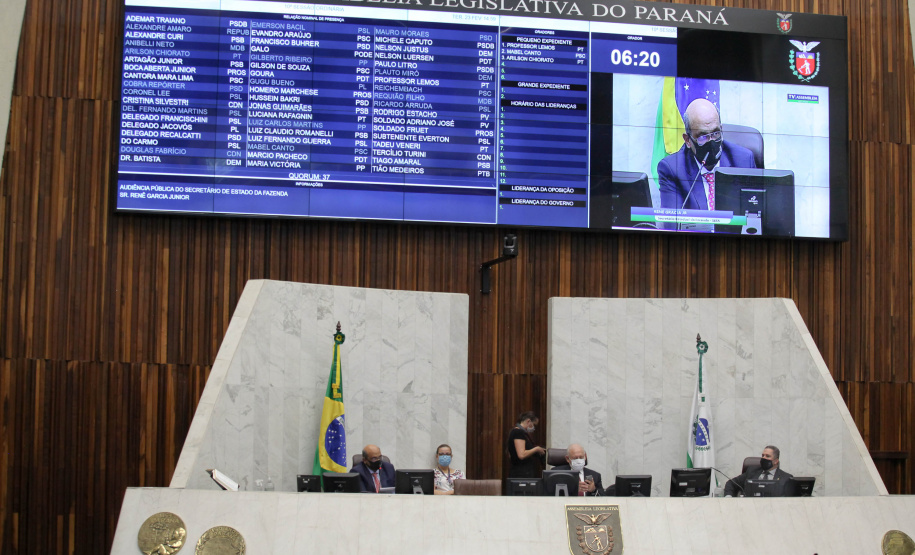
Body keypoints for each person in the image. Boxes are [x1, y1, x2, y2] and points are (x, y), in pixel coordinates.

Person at [657, 98, 757, 217]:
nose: (711, 142)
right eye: (703, 137)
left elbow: (754, 216)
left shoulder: (743, 161)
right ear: (687, 140)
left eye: (715, 133)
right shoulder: (672, 169)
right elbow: (673, 224)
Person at [724, 445, 794, 497]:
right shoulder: (751, 471)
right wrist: (728, 497)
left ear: (776, 461)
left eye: (767, 456)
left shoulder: (786, 478)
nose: (764, 458)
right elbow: (731, 483)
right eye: (763, 455)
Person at [506, 411, 546, 478]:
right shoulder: (518, 432)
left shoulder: (521, 433)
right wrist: (536, 449)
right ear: (528, 421)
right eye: (534, 425)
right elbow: (522, 455)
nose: (534, 428)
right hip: (521, 474)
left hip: (523, 472)